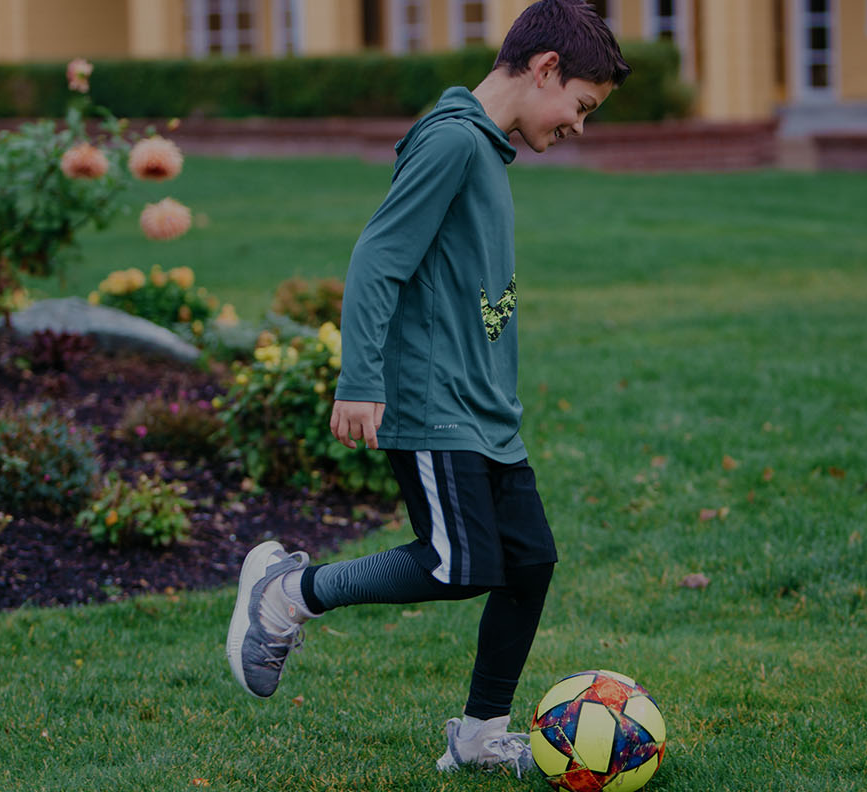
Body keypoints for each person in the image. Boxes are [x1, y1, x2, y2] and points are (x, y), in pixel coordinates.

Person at [225, 0, 630, 776]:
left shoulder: (482, 148)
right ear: (546, 69)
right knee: (456, 564)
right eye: (580, 106)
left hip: (486, 415)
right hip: (435, 407)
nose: (580, 125)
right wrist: (360, 378)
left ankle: (478, 734)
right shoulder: (449, 141)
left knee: (530, 561)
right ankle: (289, 592)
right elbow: (379, 258)